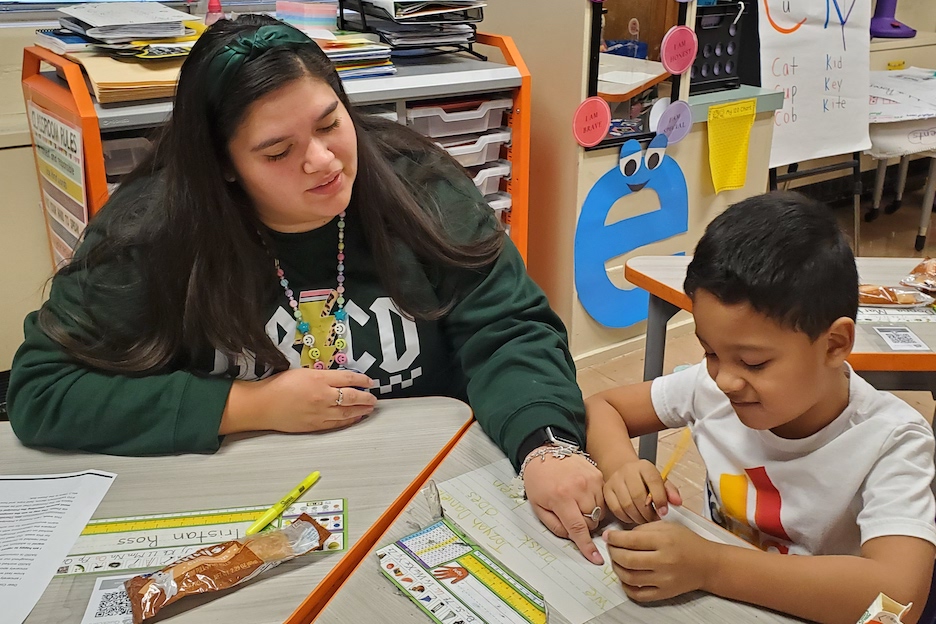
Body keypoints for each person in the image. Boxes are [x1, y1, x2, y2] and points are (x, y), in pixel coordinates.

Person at [8, 15, 606, 563]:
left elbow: (510, 332)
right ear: (223, 164)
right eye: (278, 151)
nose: (323, 161)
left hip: (415, 497)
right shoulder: (154, 229)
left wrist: (546, 444)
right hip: (243, 504)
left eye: (330, 124)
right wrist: (249, 406)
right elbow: (45, 390)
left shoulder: (421, 189)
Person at [585, 192, 936, 623]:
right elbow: (604, 406)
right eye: (710, 352)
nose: (725, 379)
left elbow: (898, 599)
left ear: (835, 344)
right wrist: (620, 464)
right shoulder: (708, 386)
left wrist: (712, 566)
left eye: (753, 362)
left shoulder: (892, 439)